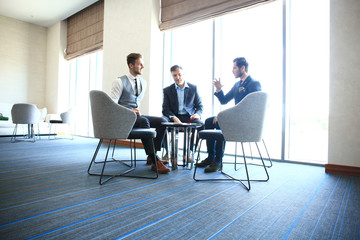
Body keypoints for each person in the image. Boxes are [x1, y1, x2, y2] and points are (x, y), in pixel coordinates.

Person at [196, 57, 262, 172]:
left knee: (221, 122)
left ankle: (218, 160)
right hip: (236, 118)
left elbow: (253, 107)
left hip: (246, 122)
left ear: (243, 68)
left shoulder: (254, 83)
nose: (232, 70)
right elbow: (224, 100)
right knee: (208, 121)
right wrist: (218, 89)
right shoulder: (237, 85)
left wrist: (224, 116)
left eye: (234, 68)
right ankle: (210, 157)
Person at [111, 53, 170, 173]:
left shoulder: (143, 82)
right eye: (140, 64)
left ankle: (152, 155)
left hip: (135, 117)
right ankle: (155, 161)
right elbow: (112, 106)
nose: (143, 67)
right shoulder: (119, 81)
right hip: (123, 119)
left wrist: (135, 111)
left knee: (163, 121)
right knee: (143, 121)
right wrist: (129, 111)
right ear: (131, 65)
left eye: (143, 64)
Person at [162, 65, 204, 161]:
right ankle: (168, 151)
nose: (177, 77)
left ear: (183, 74)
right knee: (161, 122)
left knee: (201, 125)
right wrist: (173, 117)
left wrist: (197, 114)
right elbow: (165, 109)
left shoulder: (193, 88)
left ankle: (190, 151)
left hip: (189, 116)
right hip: (174, 116)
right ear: (172, 76)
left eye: (179, 75)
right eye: (174, 75)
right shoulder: (167, 90)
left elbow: (200, 106)